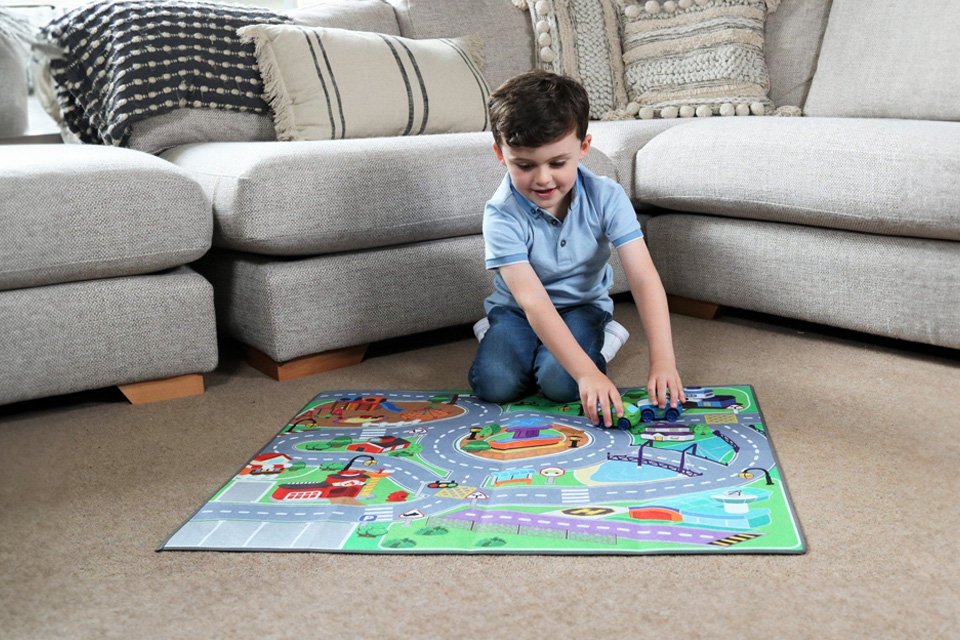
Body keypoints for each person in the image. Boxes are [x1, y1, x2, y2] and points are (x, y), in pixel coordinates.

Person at [468, 70, 685, 426]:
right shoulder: (501, 213)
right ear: (500, 154)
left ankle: (603, 336)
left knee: (560, 383)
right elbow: (533, 301)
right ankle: (496, 335)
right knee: (494, 384)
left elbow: (644, 278)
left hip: (581, 307)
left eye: (557, 163)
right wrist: (589, 374)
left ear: (583, 148)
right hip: (519, 310)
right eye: (524, 165)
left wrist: (663, 360)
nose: (542, 178)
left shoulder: (607, 196)